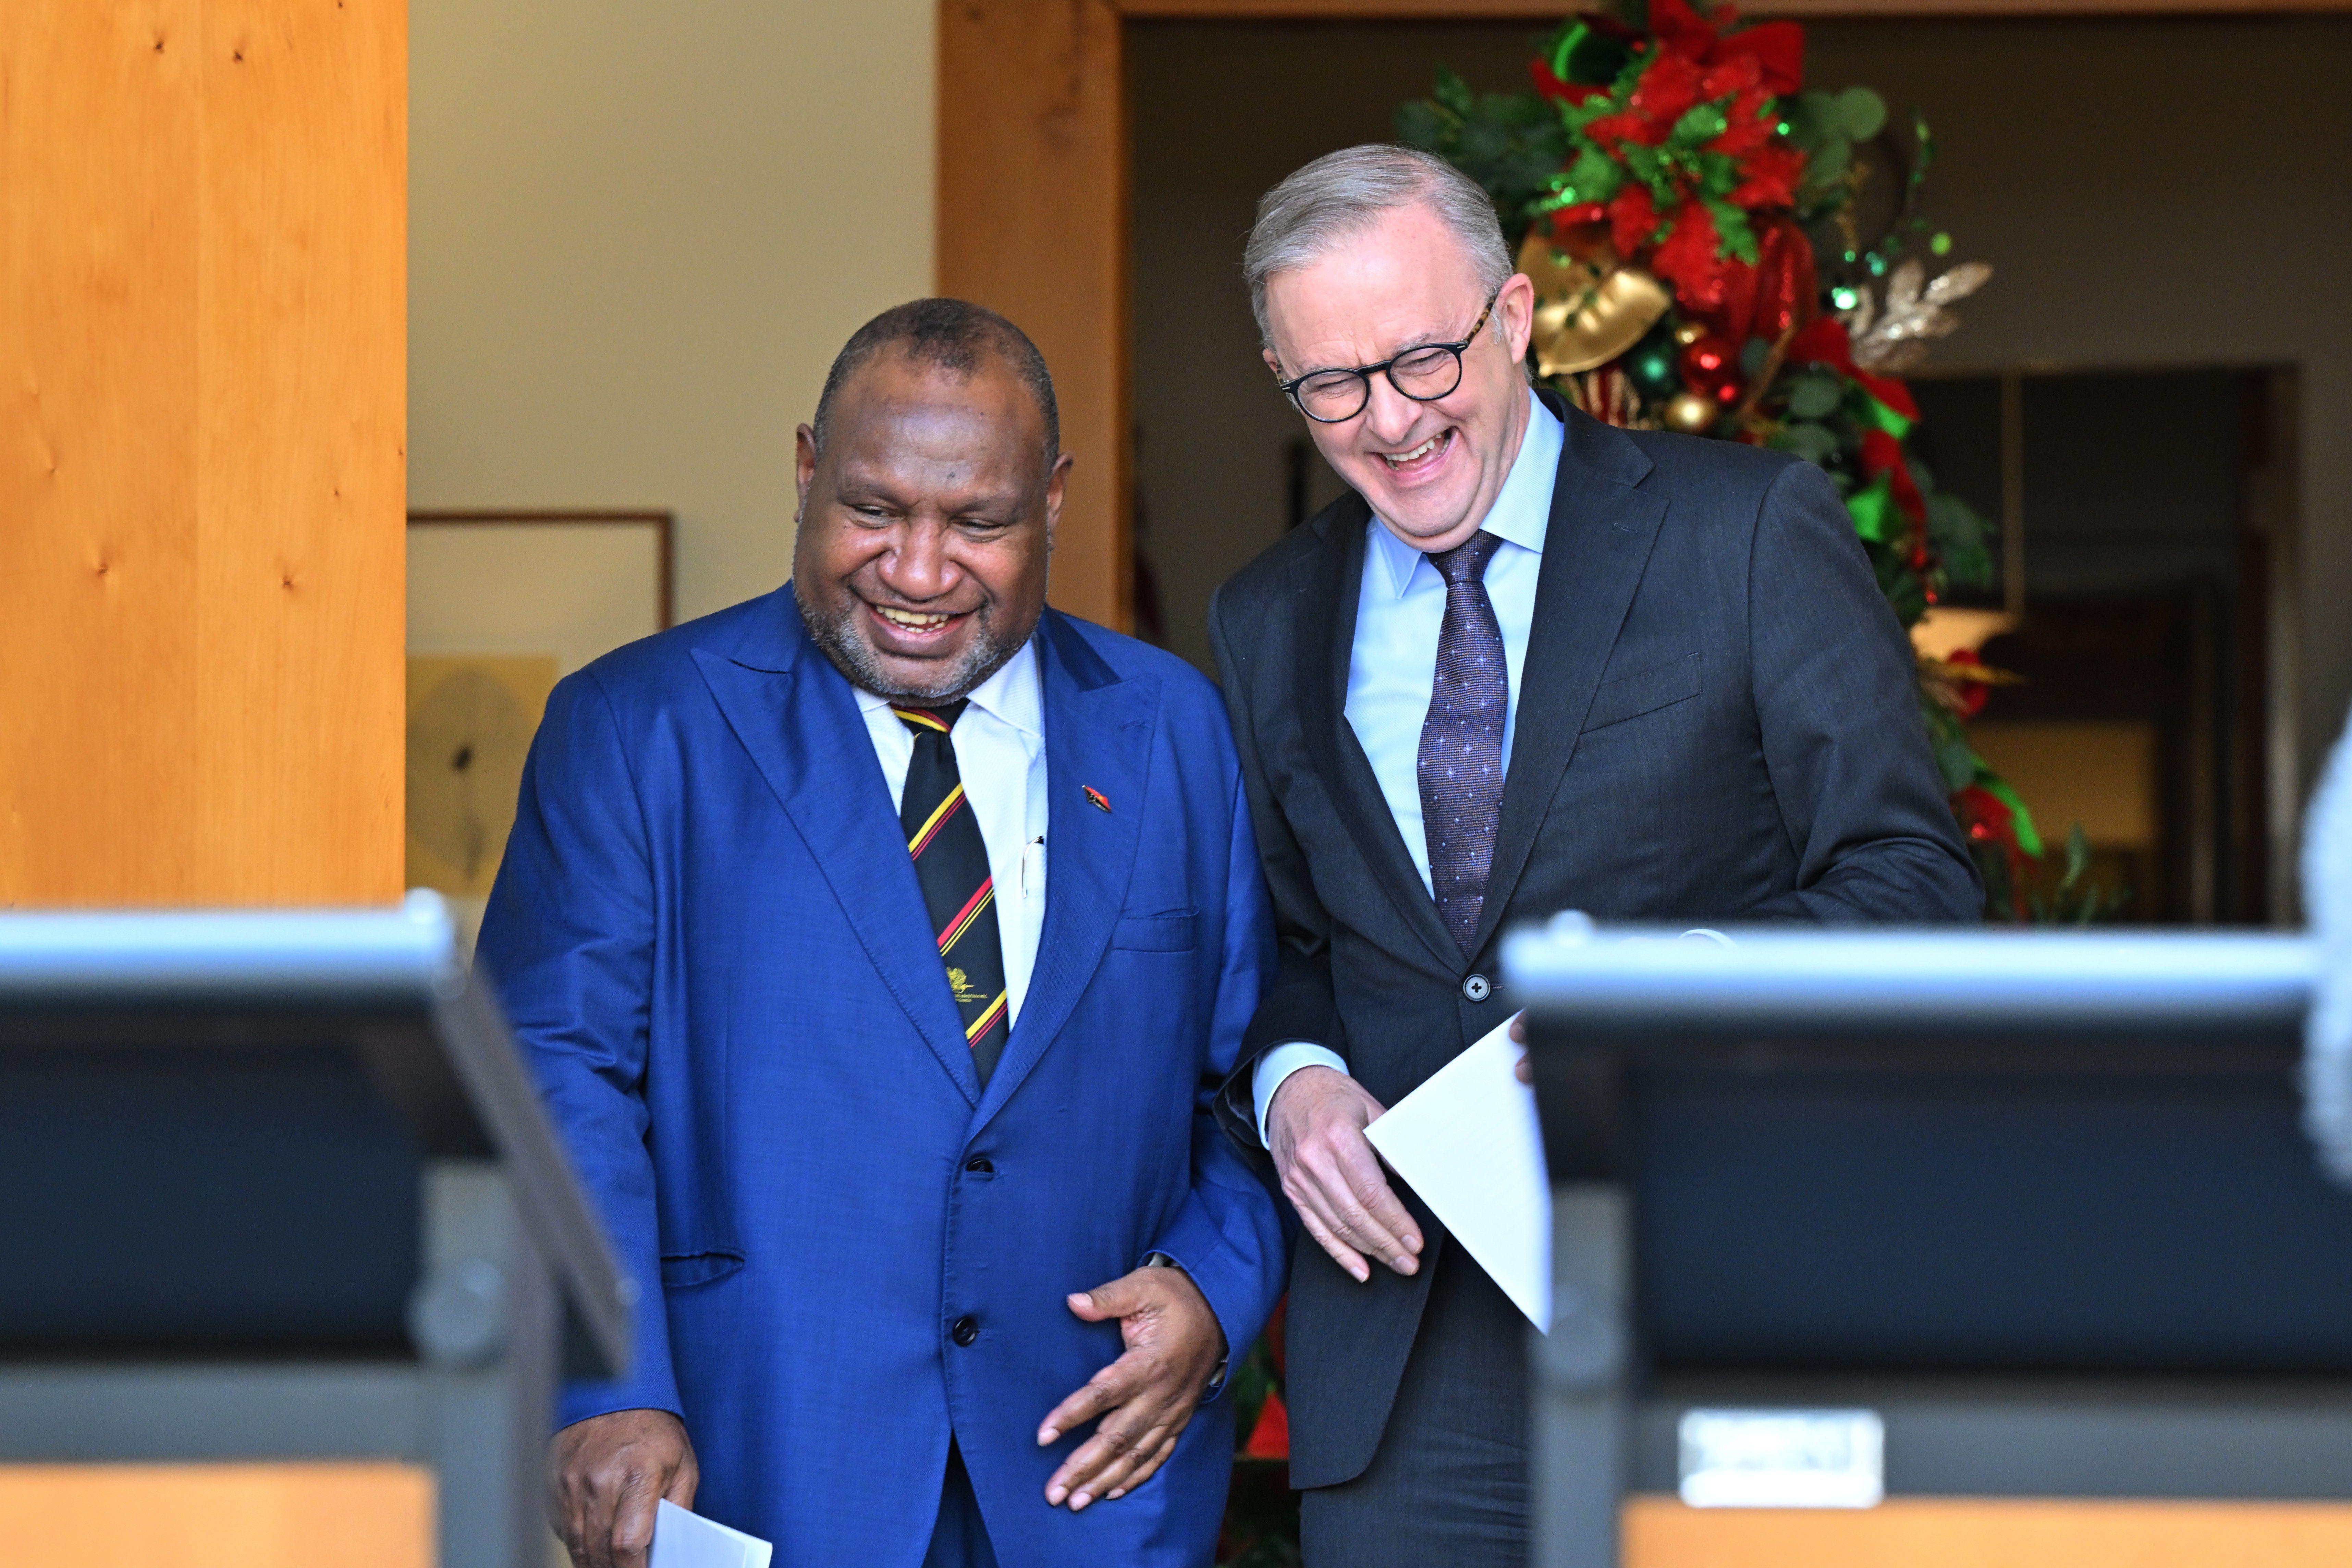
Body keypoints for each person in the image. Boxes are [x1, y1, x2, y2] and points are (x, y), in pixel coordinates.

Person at [1208, 145, 1982, 1565]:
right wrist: (1292, 1079)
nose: (1388, 421)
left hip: (1716, 1313)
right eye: (1332, 383)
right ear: (1281, 373)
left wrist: (1661, 989)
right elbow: (1286, 948)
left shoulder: (1745, 531)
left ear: (1512, 319)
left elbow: (1916, 889)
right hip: (1405, 1360)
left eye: (1423, 357)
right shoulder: (1265, 617)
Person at [479, 299, 1285, 1568]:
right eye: (873, 509)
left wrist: (1212, 1292)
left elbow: (1251, 1084)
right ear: (807, 471)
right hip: (759, 1465)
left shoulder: (1174, 730)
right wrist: (604, 1384)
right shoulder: (636, 731)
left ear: (1056, 501)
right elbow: (547, 1084)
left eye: (978, 522)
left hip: (1095, 1481)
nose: (918, 571)